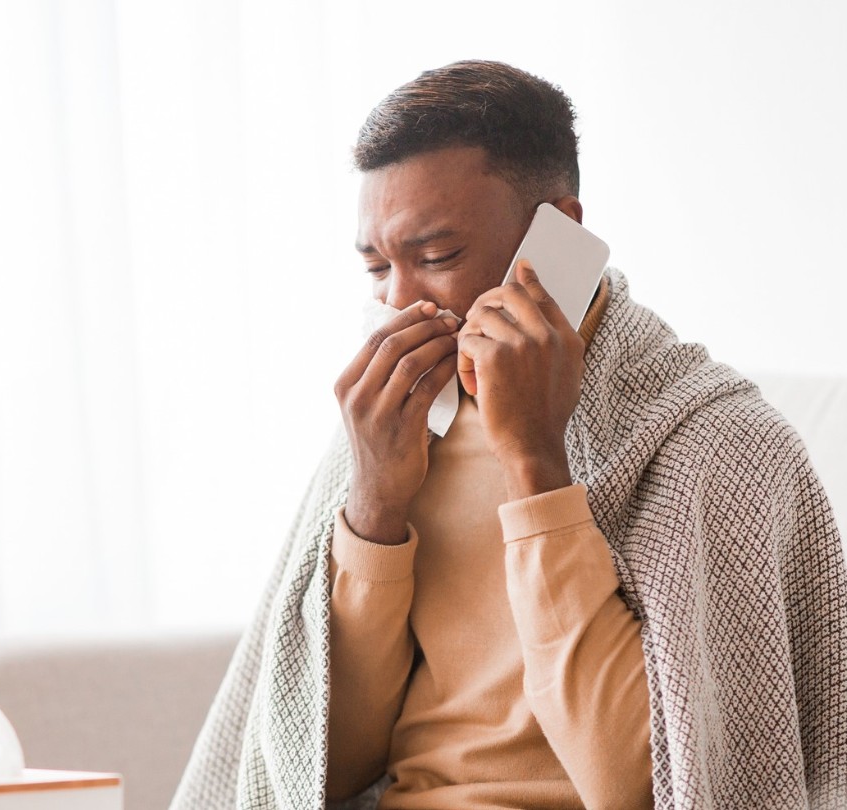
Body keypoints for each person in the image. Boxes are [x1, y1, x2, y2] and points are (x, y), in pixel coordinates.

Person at [168, 60, 846, 810]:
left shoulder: (718, 446)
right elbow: (319, 769)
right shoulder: (394, 426)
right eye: (376, 268)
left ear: (557, 235)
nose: (399, 304)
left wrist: (535, 466)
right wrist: (373, 511)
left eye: (436, 258)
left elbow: (650, 787)